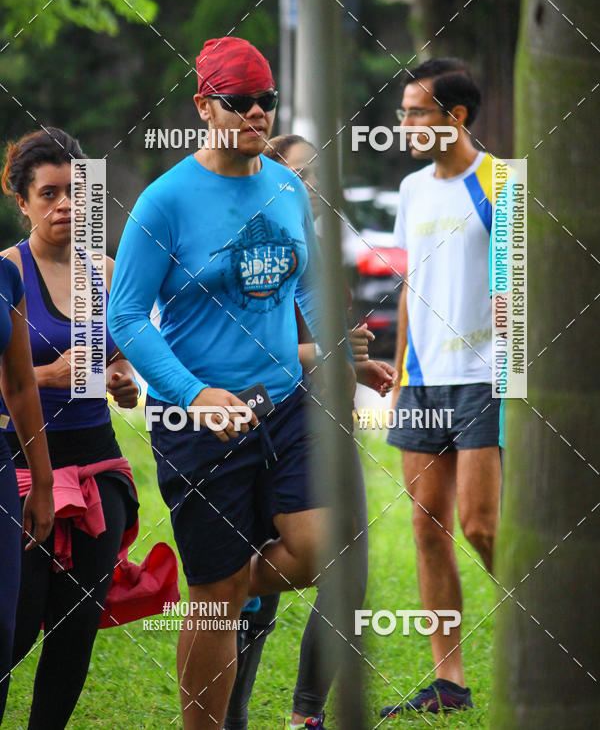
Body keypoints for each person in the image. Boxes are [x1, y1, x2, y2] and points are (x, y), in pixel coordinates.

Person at [107, 37, 354, 730]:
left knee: (316, 548)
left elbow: (304, 284)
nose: (255, 113)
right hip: (200, 420)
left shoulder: (285, 185)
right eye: (238, 101)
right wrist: (193, 395)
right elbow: (127, 315)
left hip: (284, 406)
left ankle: (211, 590)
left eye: (265, 100)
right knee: (217, 600)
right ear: (203, 106)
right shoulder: (166, 201)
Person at [224, 135, 395, 730]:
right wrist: (324, 351)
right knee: (260, 574)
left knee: (346, 567)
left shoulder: (308, 241)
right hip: (268, 420)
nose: (310, 186)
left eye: (315, 175)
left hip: (326, 413)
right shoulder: (249, 246)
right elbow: (240, 350)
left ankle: (306, 715)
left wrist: (354, 360)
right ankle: (233, 715)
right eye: (298, 173)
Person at [0, 128, 141, 729]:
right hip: (23, 462)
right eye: (49, 193)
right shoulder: (6, 274)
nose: (64, 206)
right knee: (16, 617)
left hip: (97, 462)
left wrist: (125, 377)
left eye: (74, 194)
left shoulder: (106, 271)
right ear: (22, 201)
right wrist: (46, 376)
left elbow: (122, 353)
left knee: (77, 620)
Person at [380, 60, 503, 716]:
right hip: (423, 382)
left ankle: (559, 637)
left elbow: (523, 290)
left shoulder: (501, 182)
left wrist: (514, 380)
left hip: (485, 378)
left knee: (480, 526)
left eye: (416, 113)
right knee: (428, 526)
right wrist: (400, 375)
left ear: (455, 117)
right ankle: (448, 682)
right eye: (403, 113)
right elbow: (410, 290)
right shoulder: (410, 191)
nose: (404, 125)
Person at [0, 255, 54, 723]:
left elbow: (18, 384)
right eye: (50, 193)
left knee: (2, 624)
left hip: (1, 466)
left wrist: (41, 481)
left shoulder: (3, 275)